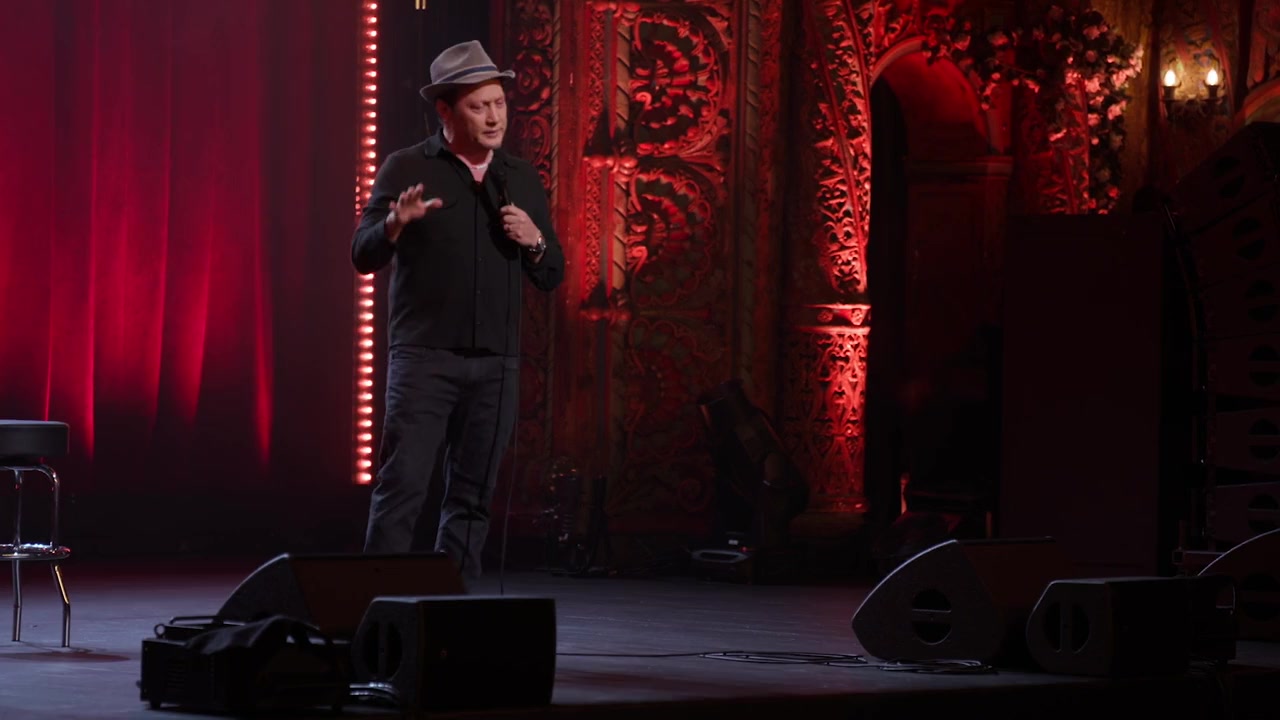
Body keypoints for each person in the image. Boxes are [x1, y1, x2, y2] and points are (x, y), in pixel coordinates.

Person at [351, 40, 565, 588]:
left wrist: (535, 241)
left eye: (499, 104)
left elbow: (551, 273)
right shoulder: (407, 167)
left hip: (496, 365)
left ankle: (452, 609)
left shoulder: (519, 177)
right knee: (403, 488)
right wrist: (395, 224)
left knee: (472, 498)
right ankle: (373, 608)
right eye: (478, 106)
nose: (494, 117)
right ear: (445, 111)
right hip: (424, 360)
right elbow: (362, 255)